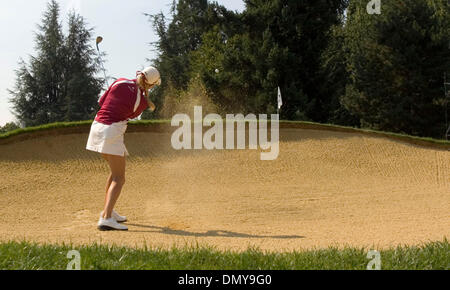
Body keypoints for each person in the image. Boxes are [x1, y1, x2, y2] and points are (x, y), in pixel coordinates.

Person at [86, 66, 161, 231]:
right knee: (119, 178)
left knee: (114, 173)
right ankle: (105, 218)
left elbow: (102, 102)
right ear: (151, 85)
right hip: (111, 131)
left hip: (96, 127)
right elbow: (131, 115)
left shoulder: (119, 81)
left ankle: (109, 211)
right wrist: (145, 97)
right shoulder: (141, 102)